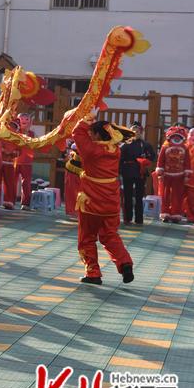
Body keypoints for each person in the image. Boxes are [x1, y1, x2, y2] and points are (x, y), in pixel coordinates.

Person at [72, 113, 135, 285]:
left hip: (91, 202)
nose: (89, 136)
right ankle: (125, 263)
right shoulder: (115, 150)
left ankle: (93, 272)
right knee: (110, 235)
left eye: (92, 133)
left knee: (86, 238)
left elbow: (77, 133)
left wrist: (85, 119)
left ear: (99, 135)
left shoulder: (92, 150)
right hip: (111, 202)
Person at [118, 121, 156, 225]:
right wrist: (119, 171)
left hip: (140, 171)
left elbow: (152, 156)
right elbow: (119, 159)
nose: (135, 132)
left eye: (138, 131)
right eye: (133, 130)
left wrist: (145, 160)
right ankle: (127, 218)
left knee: (139, 196)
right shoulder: (125, 145)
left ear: (141, 132)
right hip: (128, 171)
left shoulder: (145, 144)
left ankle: (139, 219)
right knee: (128, 195)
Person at [156, 126, 190, 223]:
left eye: (178, 136)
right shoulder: (165, 147)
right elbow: (160, 160)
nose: (176, 138)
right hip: (166, 175)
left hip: (179, 175)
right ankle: (165, 213)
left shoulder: (185, 148)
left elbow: (187, 162)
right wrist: (160, 172)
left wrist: (187, 174)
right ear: (170, 136)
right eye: (174, 136)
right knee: (165, 195)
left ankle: (176, 214)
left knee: (177, 195)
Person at [15, 113, 34, 210]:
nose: (24, 122)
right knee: (11, 181)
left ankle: (25, 203)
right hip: (15, 160)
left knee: (26, 183)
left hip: (27, 161)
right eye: (21, 120)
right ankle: (9, 201)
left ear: (30, 122)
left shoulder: (31, 134)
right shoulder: (14, 133)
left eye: (27, 120)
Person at [63, 141, 81, 220]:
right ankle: (73, 211)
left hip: (80, 171)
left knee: (77, 192)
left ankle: (76, 211)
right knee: (72, 191)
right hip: (72, 171)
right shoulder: (76, 144)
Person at [185, 128, 194, 223]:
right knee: (176, 196)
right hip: (181, 176)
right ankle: (176, 213)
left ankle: (191, 216)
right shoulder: (184, 147)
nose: (193, 137)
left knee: (192, 199)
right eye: (191, 134)